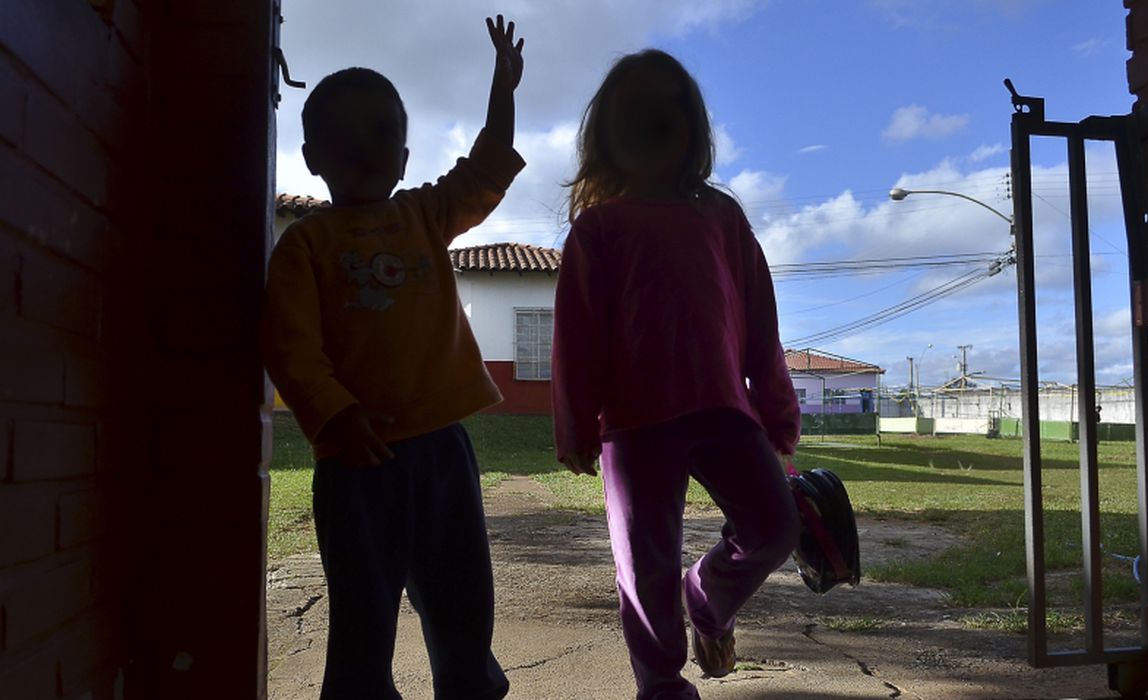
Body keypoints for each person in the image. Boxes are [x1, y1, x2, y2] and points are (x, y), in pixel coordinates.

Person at [260, 16, 525, 700]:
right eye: (345, 136)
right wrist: (334, 417)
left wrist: (504, 85)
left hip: (443, 455)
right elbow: (291, 348)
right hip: (356, 465)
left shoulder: (424, 215)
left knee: (465, 620)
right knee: (361, 633)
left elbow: (488, 166)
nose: (366, 147)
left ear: (406, 157)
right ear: (312, 155)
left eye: (384, 132)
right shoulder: (305, 246)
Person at [551, 49, 802, 699]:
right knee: (645, 568)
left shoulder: (722, 217)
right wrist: (575, 423)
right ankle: (661, 683)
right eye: (637, 111)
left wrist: (776, 409)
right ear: (605, 134)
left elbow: (760, 323)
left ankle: (708, 597)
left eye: (671, 107)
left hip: (724, 411)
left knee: (774, 528)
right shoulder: (598, 230)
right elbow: (577, 338)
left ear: (694, 126)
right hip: (635, 426)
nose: (656, 120)